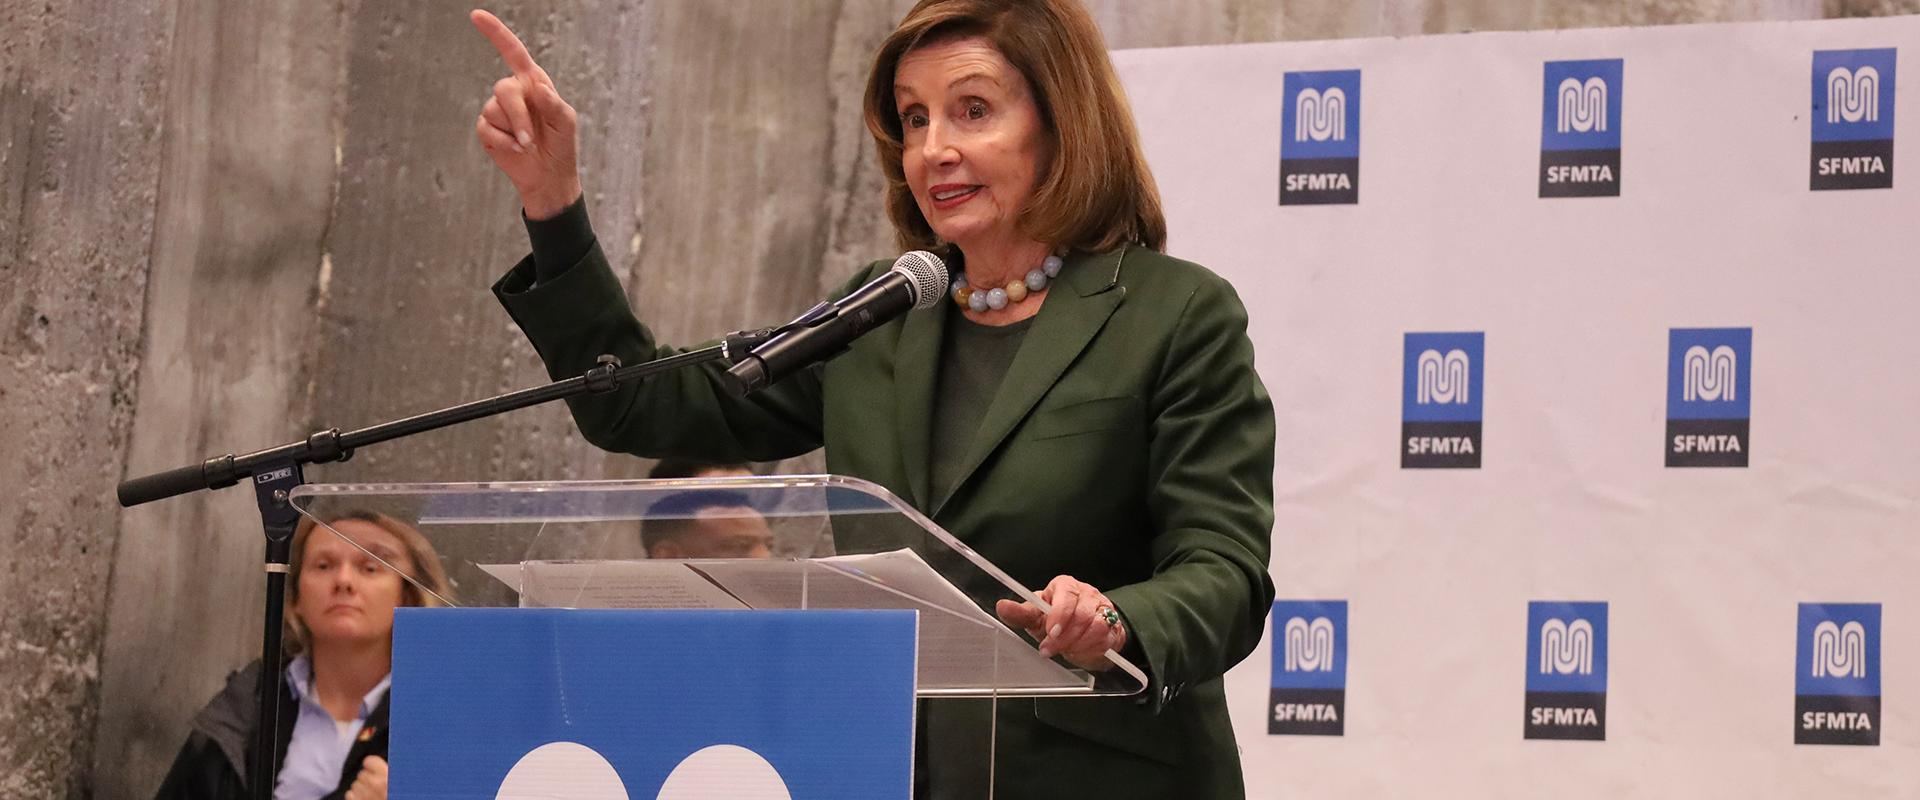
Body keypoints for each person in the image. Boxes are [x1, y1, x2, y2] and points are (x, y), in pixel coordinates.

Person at [470, 0, 1275, 796]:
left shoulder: (1174, 315)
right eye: (914, 119)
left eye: (972, 111)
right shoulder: (883, 314)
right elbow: (638, 405)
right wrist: (555, 203)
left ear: (1061, 123)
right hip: (891, 768)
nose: (935, 149)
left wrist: (1116, 621)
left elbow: (1225, 571)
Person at [156, 511, 454, 800]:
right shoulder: (245, 706)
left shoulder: (447, 721)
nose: (344, 581)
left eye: (370, 567)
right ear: (295, 597)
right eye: (324, 566)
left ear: (409, 597)